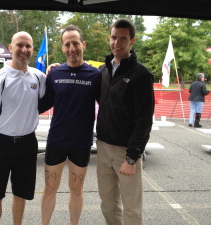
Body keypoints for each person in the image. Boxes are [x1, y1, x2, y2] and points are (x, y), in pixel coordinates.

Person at [0, 31, 46, 225]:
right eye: (20, 45)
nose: (24, 50)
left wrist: (55, 69)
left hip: (27, 144)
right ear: (10, 47)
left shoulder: (38, 77)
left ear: (32, 49)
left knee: (21, 194)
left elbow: (52, 92)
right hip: (0, 144)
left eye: (28, 46)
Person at [38, 25, 101, 225]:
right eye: (67, 44)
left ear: (83, 44)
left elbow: (109, 105)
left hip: (81, 143)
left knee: (76, 189)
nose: (72, 48)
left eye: (75, 43)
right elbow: (41, 105)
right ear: (63, 48)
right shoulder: (55, 73)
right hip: (57, 140)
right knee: (50, 188)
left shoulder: (95, 75)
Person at [96, 18, 155, 225]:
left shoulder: (141, 75)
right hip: (102, 147)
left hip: (125, 151)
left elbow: (144, 119)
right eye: (114, 37)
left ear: (132, 41)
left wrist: (132, 157)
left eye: (123, 39)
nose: (117, 43)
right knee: (108, 204)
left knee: (131, 209)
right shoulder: (104, 70)